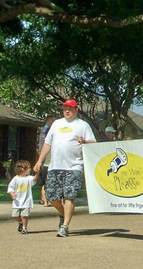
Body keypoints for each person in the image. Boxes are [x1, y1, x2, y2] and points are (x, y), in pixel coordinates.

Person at [33, 99, 96, 237]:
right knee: (51, 196)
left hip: (74, 166)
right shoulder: (56, 124)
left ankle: (65, 226)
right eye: (65, 108)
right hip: (55, 166)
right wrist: (39, 161)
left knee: (69, 196)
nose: (67, 111)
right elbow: (47, 143)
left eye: (70, 108)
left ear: (76, 110)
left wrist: (84, 141)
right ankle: (63, 215)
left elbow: (93, 143)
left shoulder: (83, 125)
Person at [7, 160, 40, 234]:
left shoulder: (28, 178)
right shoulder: (15, 179)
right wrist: (12, 194)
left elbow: (34, 179)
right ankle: (20, 222)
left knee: (24, 215)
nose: (30, 169)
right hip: (17, 201)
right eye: (28, 168)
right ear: (22, 169)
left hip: (26, 200)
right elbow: (10, 187)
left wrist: (37, 173)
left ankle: (24, 228)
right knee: (15, 215)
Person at [38, 116, 56, 206]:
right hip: (50, 164)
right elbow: (42, 135)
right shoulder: (46, 131)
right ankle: (47, 201)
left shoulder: (45, 133)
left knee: (44, 184)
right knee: (50, 184)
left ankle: (44, 201)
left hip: (45, 162)